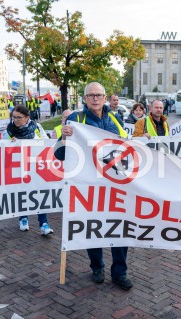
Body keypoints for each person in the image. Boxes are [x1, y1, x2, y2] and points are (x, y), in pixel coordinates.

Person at [54, 82, 132, 290]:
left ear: (105, 98)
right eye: (91, 95)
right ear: (85, 99)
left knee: (120, 229)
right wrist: (64, 137)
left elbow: (126, 150)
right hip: (88, 186)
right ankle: (97, 267)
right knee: (94, 228)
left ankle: (120, 273)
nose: (95, 98)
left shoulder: (115, 119)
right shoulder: (75, 119)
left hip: (115, 186)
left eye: (99, 95)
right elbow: (59, 154)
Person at [6, 105, 54, 236]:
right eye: (14, 117)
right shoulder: (9, 130)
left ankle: (43, 223)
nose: (15, 120)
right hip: (19, 167)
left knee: (40, 193)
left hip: (36, 167)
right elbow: (3, 149)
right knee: (22, 193)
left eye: (19, 118)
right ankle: (23, 219)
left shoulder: (37, 127)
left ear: (27, 117)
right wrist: (11, 144)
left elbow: (46, 143)